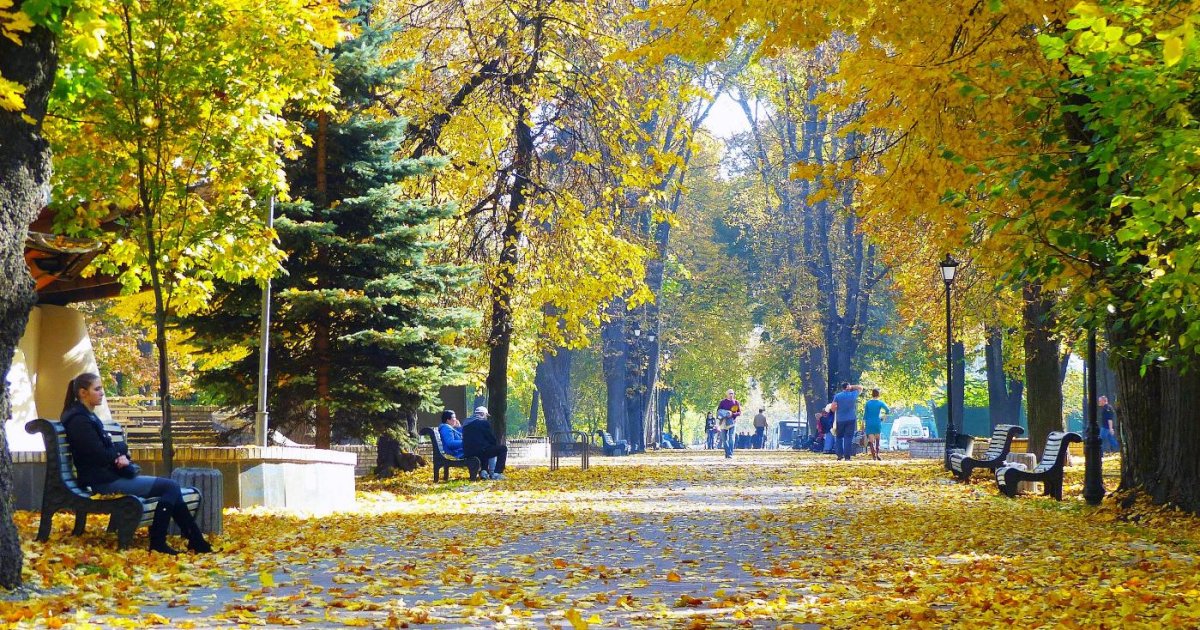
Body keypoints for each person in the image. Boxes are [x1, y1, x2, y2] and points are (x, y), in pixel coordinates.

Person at [60, 373, 213, 555]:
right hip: (103, 482)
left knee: (171, 489)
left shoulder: (86, 416)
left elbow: (108, 449)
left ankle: (196, 541)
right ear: (83, 393)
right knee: (170, 487)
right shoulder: (79, 420)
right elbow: (98, 454)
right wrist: (119, 454)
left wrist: (119, 452)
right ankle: (161, 542)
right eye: (97, 389)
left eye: (101, 389)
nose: (102, 393)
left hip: (108, 476)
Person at [462, 406, 508, 480]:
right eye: (486, 415)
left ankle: (484, 471)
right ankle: (497, 473)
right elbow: (490, 438)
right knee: (502, 449)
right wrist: (495, 443)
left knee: (484, 448)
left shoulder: (466, 423)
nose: (486, 418)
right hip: (480, 452)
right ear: (482, 414)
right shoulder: (483, 423)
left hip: (468, 452)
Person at [832, 382, 864, 461]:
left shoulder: (837, 396)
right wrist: (851, 386)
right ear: (848, 387)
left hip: (840, 419)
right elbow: (860, 387)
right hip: (851, 419)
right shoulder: (853, 394)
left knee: (839, 437)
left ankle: (839, 455)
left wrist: (837, 410)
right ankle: (847, 457)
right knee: (848, 437)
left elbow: (833, 408)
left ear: (842, 388)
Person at [862, 389, 890, 461]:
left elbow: (865, 414)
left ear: (872, 394)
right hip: (877, 421)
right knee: (877, 439)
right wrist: (883, 417)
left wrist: (863, 423)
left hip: (869, 422)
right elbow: (887, 410)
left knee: (871, 441)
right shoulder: (880, 403)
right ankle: (877, 454)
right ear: (878, 395)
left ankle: (873, 456)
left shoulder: (868, 403)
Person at [716, 390, 741, 459]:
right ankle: (727, 452)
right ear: (727, 394)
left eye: (732, 393)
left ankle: (730, 454)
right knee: (724, 439)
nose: (731, 395)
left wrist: (732, 414)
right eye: (730, 393)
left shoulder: (736, 402)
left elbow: (739, 412)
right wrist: (718, 422)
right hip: (723, 422)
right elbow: (718, 412)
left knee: (731, 438)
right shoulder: (722, 402)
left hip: (732, 422)